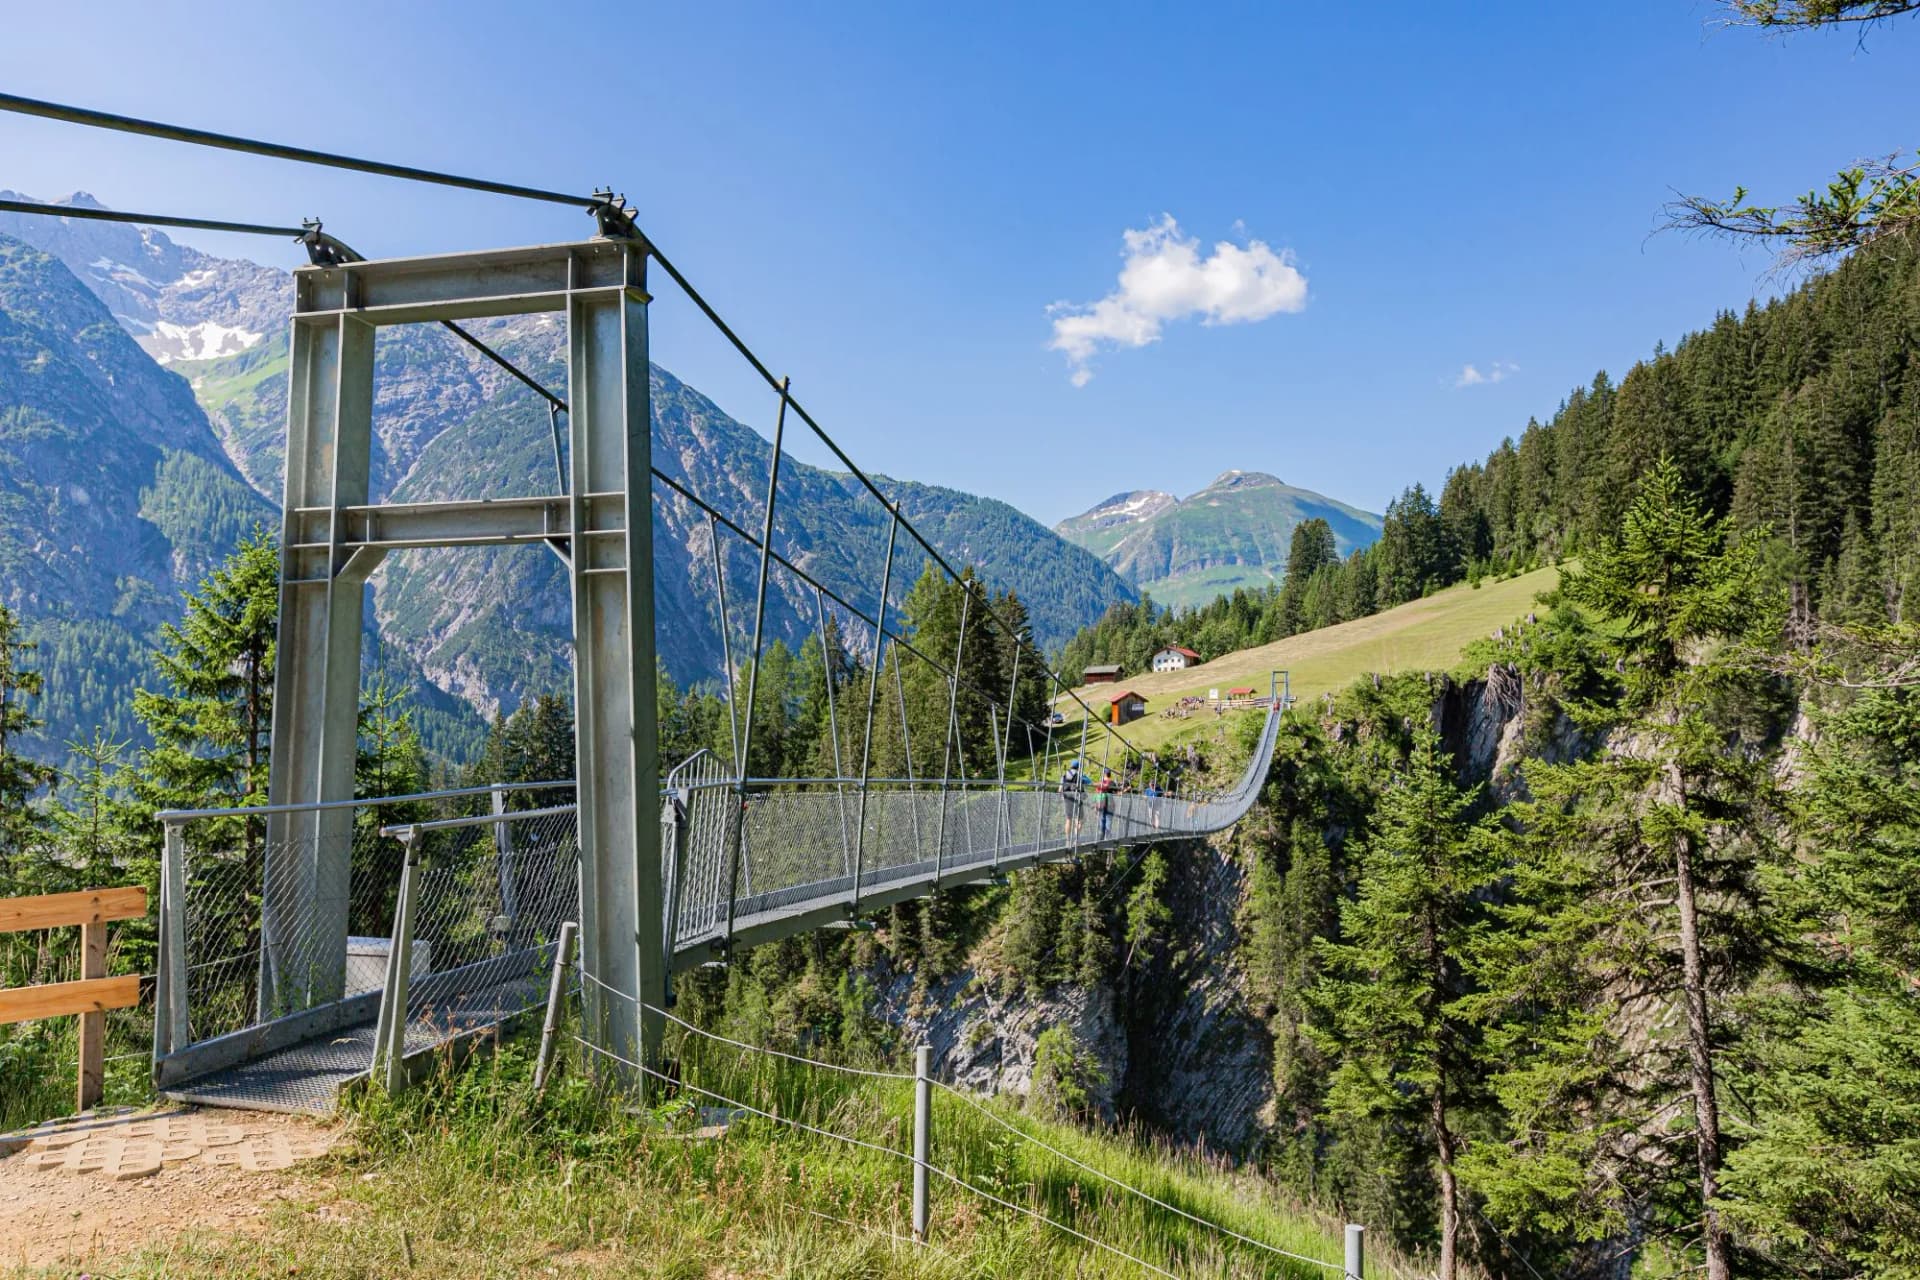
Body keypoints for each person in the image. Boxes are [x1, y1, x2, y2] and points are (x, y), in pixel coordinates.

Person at [1059, 758, 1085, 842]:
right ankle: (1076, 840)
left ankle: (1067, 840)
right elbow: (1082, 788)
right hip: (1077, 797)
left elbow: (1060, 789)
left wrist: (1063, 797)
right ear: (1078, 767)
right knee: (1079, 819)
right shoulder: (1079, 775)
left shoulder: (1064, 775)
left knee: (1068, 819)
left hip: (1067, 797)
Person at [1095, 769, 1117, 841]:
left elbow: (1097, 793)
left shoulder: (1100, 782)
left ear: (1104, 774)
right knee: (1109, 818)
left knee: (1102, 818)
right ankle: (1107, 836)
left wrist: (1096, 804)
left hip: (1101, 801)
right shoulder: (1112, 782)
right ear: (1109, 774)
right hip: (1110, 801)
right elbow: (1116, 792)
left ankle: (1102, 835)